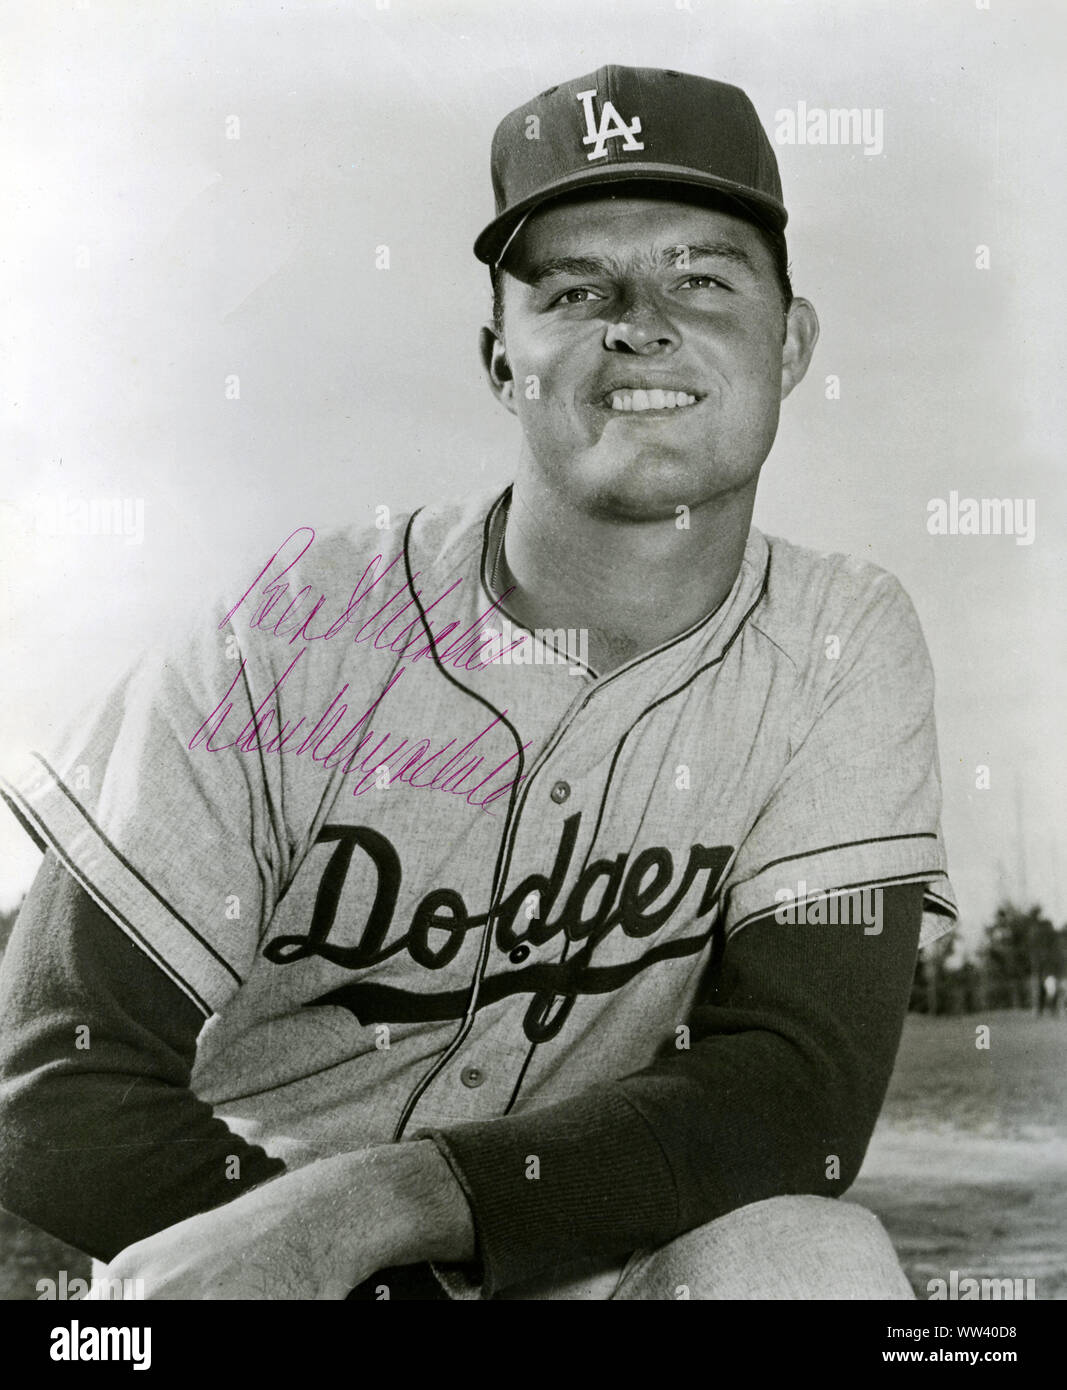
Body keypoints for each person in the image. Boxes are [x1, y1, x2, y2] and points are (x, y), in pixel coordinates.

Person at [0, 65, 958, 1300]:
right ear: (501, 359)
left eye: (702, 278)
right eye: (575, 287)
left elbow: (792, 1092)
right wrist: (331, 1251)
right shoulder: (286, 635)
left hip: (574, 1261)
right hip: (251, 1256)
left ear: (791, 341)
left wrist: (393, 1200)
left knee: (812, 1262)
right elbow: (44, 1077)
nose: (640, 322)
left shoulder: (841, 635)